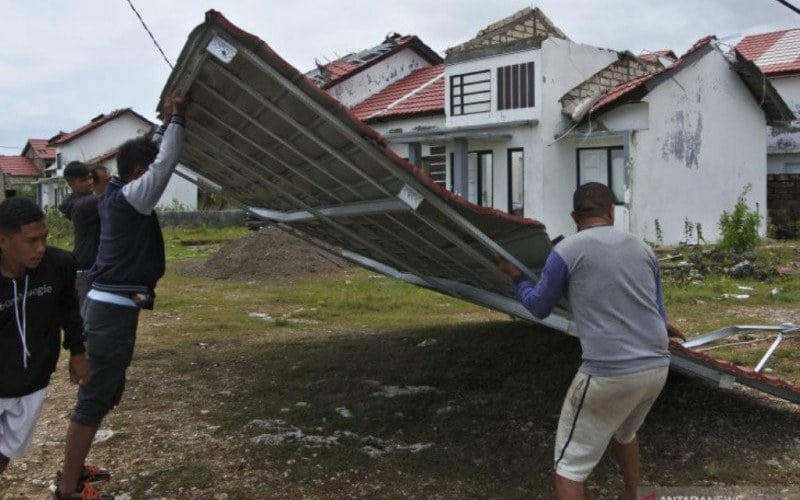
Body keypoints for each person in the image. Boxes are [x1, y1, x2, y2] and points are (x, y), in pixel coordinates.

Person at [496, 182, 685, 500]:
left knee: (568, 467)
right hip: (656, 367)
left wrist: (516, 276)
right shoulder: (643, 249)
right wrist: (664, 328)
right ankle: (634, 495)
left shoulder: (566, 251)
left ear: (574, 216)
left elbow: (540, 308)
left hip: (609, 373)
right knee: (625, 433)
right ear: (612, 211)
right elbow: (654, 306)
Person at [56, 91, 190, 500]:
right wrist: (179, 120)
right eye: (145, 173)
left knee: (103, 394)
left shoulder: (117, 192)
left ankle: (75, 472)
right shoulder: (130, 197)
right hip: (110, 316)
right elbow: (165, 164)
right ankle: (69, 489)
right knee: (94, 400)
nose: (153, 182)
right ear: (136, 172)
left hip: (110, 311)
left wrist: (164, 125)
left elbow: (154, 155)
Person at [0, 197, 90, 475]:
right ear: (3, 241)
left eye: (44, 238)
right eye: (31, 241)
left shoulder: (59, 264)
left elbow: (69, 309)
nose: (41, 247)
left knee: (8, 449)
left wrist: (77, 351)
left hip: (33, 377)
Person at [59, 162, 101, 306]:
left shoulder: (72, 201)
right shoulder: (85, 204)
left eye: (90, 178)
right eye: (83, 180)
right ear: (71, 184)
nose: (89, 183)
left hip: (90, 263)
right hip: (87, 266)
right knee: (85, 316)